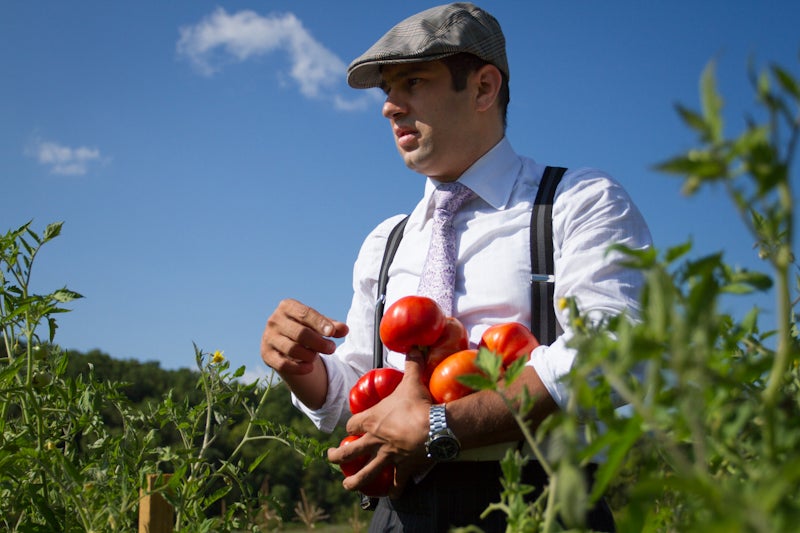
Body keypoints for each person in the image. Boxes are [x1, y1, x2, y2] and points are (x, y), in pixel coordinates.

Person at [261, 3, 652, 531]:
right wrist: (303, 367)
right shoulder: (386, 241)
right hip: (397, 513)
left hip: (536, 506)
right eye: (387, 91)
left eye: (414, 82)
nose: (390, 107)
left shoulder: (576, 201)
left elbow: (613, 351)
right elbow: (349, 398)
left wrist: (442, 426)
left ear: (484, 88)